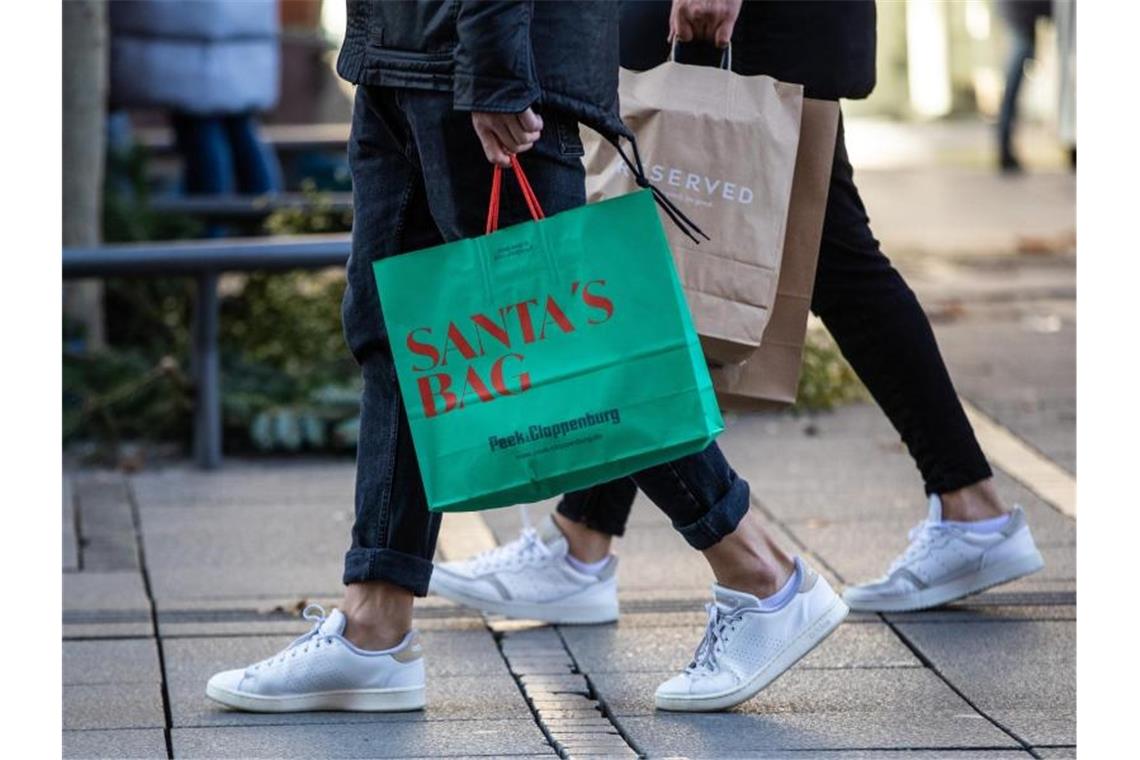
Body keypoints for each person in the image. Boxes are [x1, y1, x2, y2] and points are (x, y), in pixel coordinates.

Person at [206, 0, 847, 715]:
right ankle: (372, 628)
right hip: (399, 55)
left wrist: (495, 67)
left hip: (484, 57)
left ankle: (765, 576)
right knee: (399, 335)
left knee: (578, 349)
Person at [432, 0, 1045, 623]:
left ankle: (971, 506)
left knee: (788, 257)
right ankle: (581, 542)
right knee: (690, 265)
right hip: (746, 28)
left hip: (745, 26)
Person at [108, 0, 283, 195]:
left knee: (205, 133)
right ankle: (264, 213)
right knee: (236, 129)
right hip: (228, 44)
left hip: (194, 46)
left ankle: (213, 219)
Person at [996, 0, 1053, 173]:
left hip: (1020, 18)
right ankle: (1005, 149)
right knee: (1012, 89)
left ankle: (1005, 149)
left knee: (1011, 89)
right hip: (1021, 18)